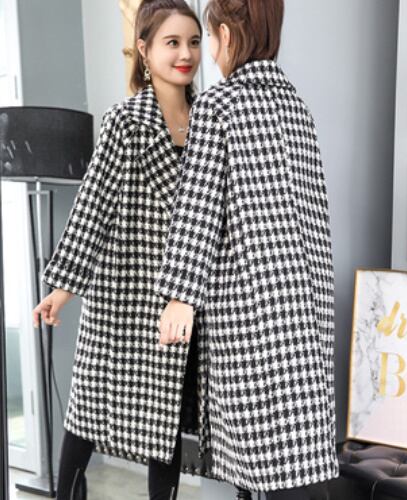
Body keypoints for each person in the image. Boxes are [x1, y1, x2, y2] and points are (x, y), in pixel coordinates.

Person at [155, 0, 339, 498]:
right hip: (306, 304)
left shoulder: (219, 106)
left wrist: (180, 297)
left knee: (265, 454)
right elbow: (314, 208)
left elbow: (198, 206)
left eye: (210, 38)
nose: (210, 53)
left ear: (228, 37)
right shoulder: (296, 107)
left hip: (251, 306)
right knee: (297, 453)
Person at [32, 1, 202, 498]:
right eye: (172, 42)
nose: (186, 54)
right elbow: (93, 205)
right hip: (124, 293)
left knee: (166, 424)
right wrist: (62, 288)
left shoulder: (209, 121)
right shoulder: (125, 121)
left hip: (179, 295)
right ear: (145, 50)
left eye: (194, 42)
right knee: (87, 413)